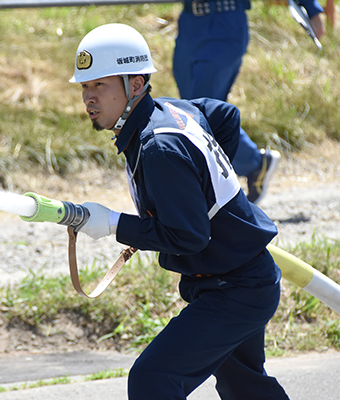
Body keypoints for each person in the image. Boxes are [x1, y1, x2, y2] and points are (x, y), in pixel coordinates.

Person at [71, 23, 289, 399]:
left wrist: (112, 224)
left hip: (235, 288)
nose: (88, 98)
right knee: (246, 387)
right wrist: (201, 184)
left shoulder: (159, 147)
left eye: (100, 85)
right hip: (239, 277)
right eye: (85, 87)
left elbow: (188, 236)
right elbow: (224, 115)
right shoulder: (170, 110)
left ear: (135, 85)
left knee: (152, 379)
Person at [173, 0, 326, 203]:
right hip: (189, 25)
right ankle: (254, 164)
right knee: (193, 112)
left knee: (202, 111)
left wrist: (313, 10)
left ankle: (246, 166)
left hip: (225, 24)